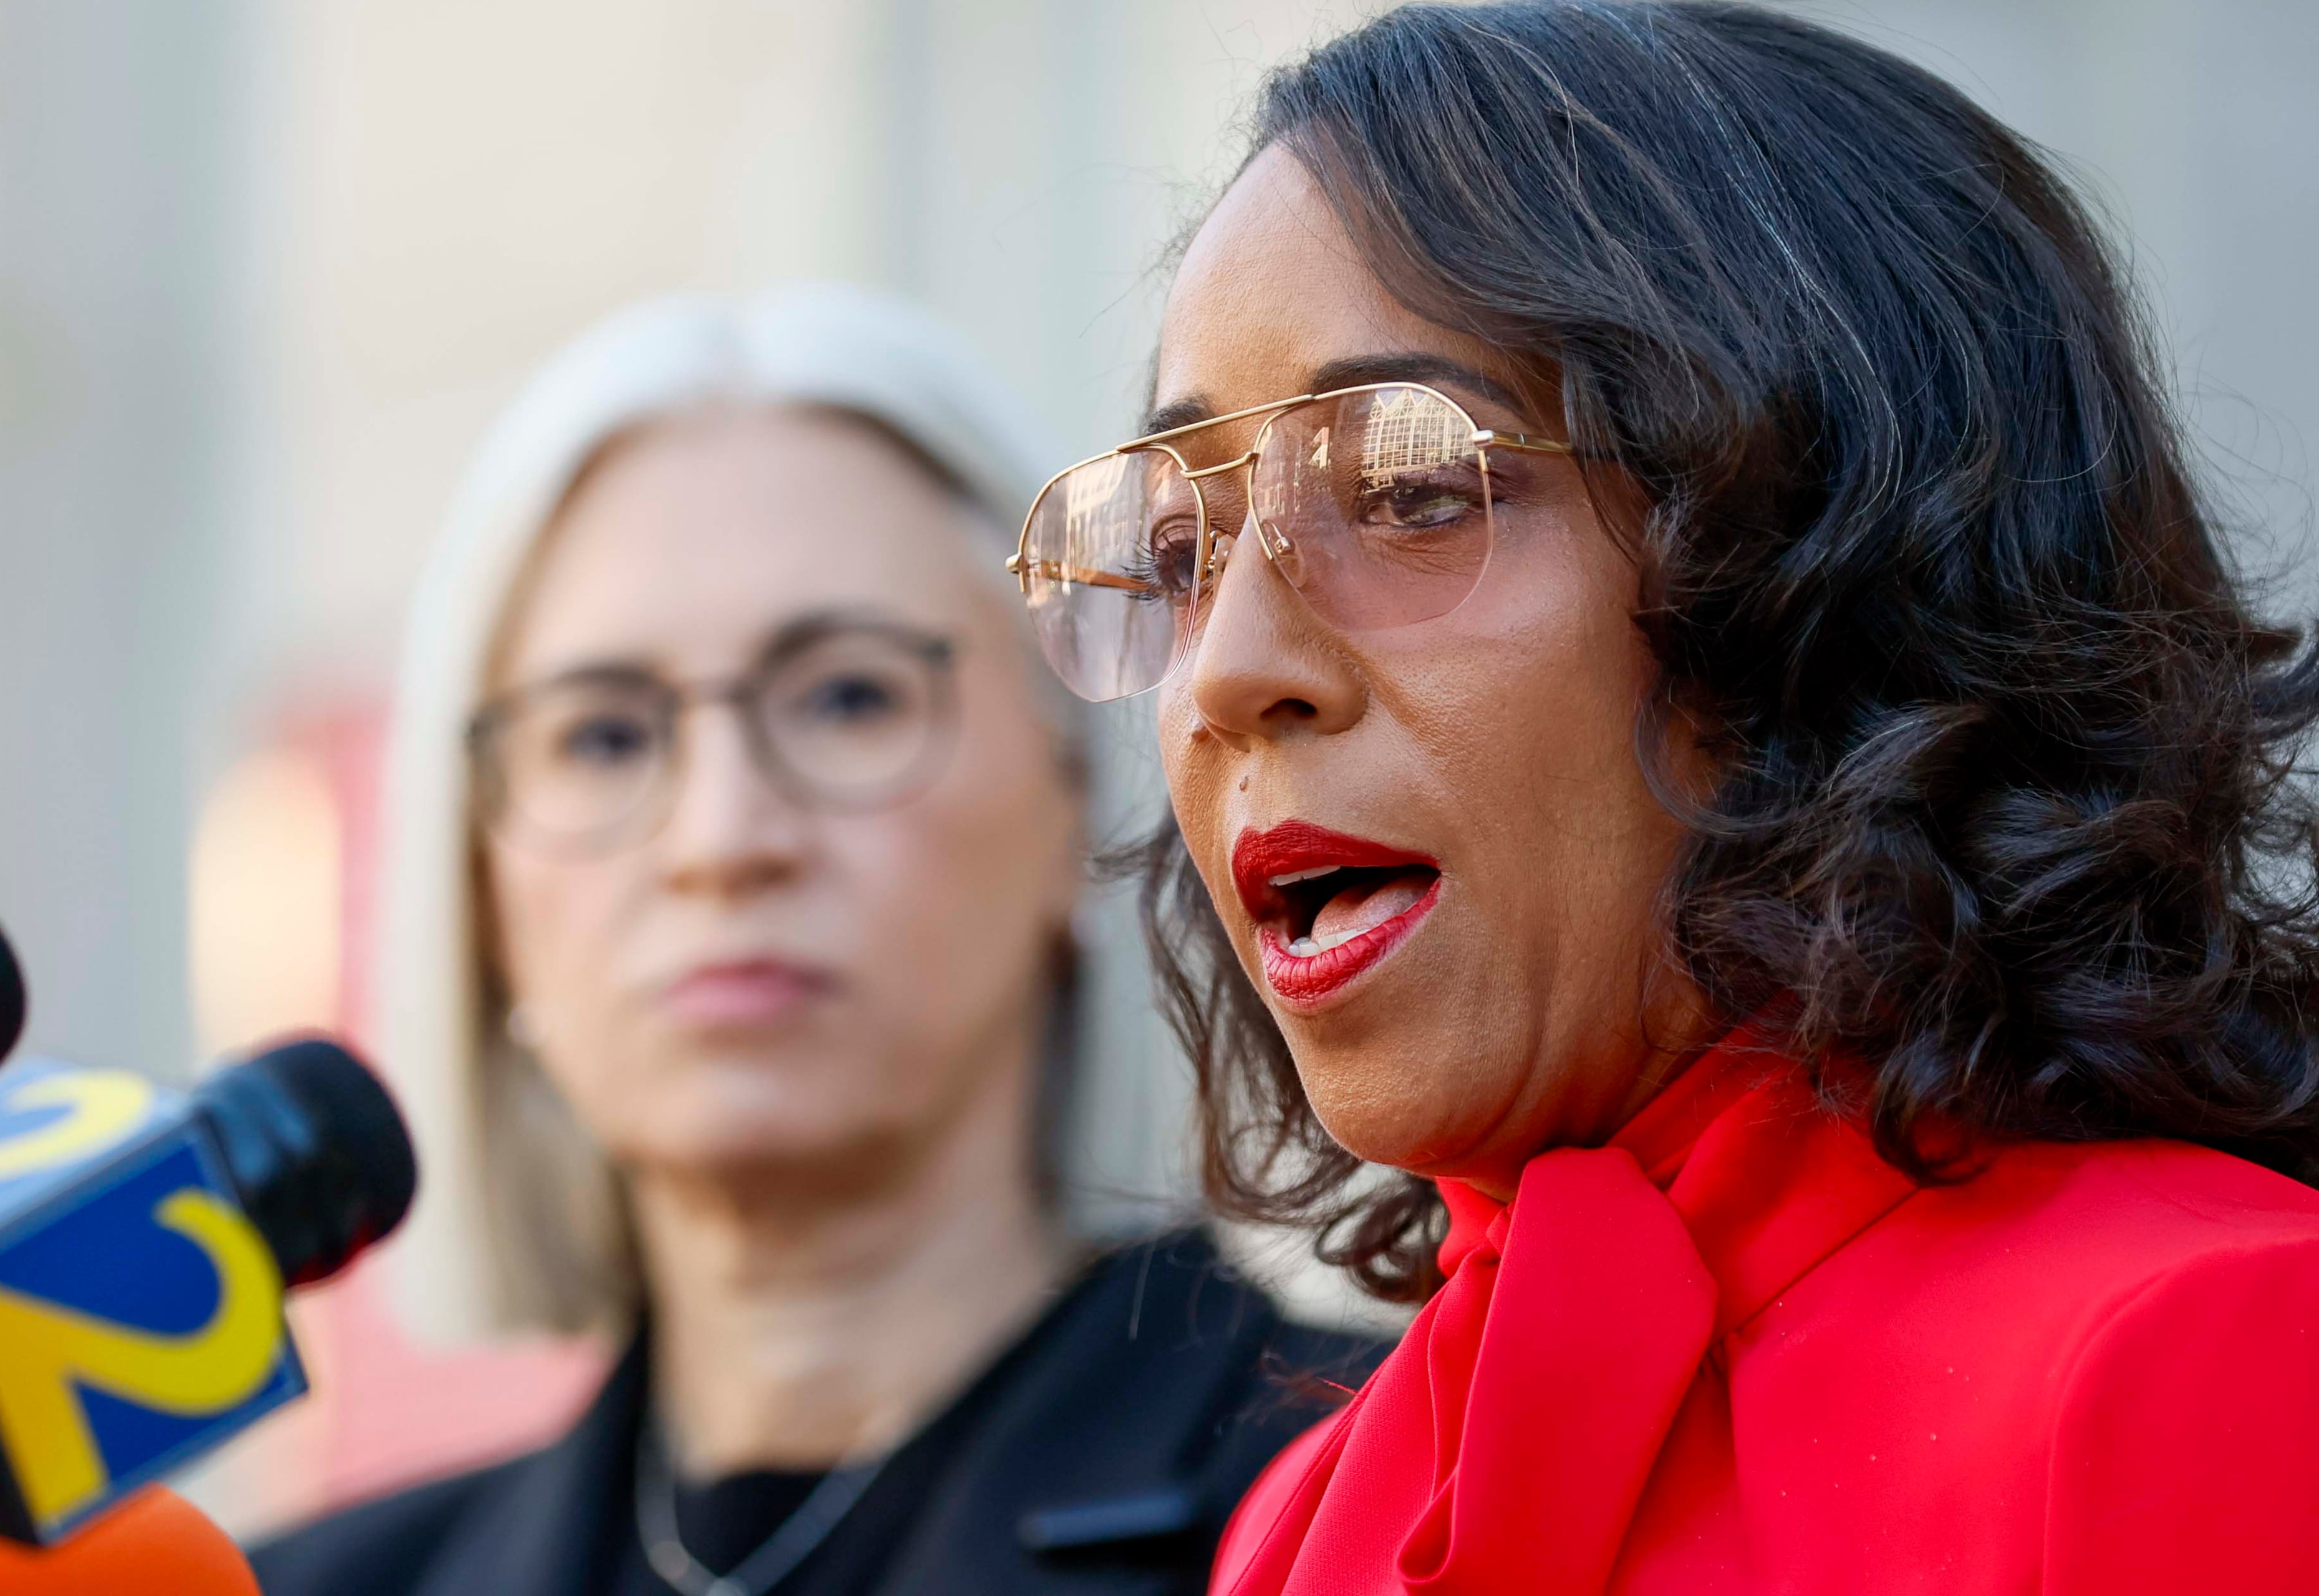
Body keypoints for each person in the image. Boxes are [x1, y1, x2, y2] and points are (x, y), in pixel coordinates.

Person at [1006, 5, 2319, 1591]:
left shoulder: (2207, 1354)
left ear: (1824, 557)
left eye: (1412, 489)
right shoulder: (1308, 1514)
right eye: (1179, 550)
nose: (1226, 670)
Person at [249, 287, 1379, 1596]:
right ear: (483, 892)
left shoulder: (1404, 1509)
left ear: (1077, 794)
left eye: (849, 697)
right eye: (604, 735)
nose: (723, 836)